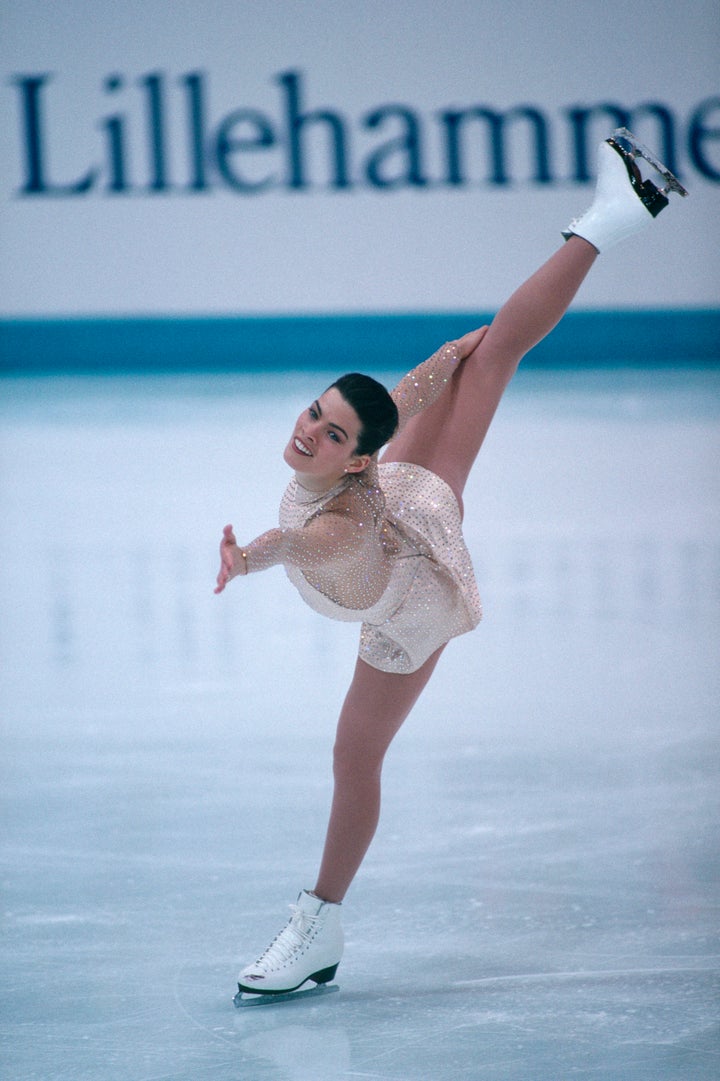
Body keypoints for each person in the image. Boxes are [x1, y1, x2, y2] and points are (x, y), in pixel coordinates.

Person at [214, 130, 686, 999]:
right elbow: (405, 396)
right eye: (313, 413)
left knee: (354, 758)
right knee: (492, 350)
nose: (307, 431)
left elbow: (298, 542)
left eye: (329, 431)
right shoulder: (363, 461)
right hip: (405, 507)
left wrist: (243, 559)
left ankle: (318, 924)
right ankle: (618, 212)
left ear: (357, 461)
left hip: (412, 594)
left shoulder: (338, 523)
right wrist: (468, 349)